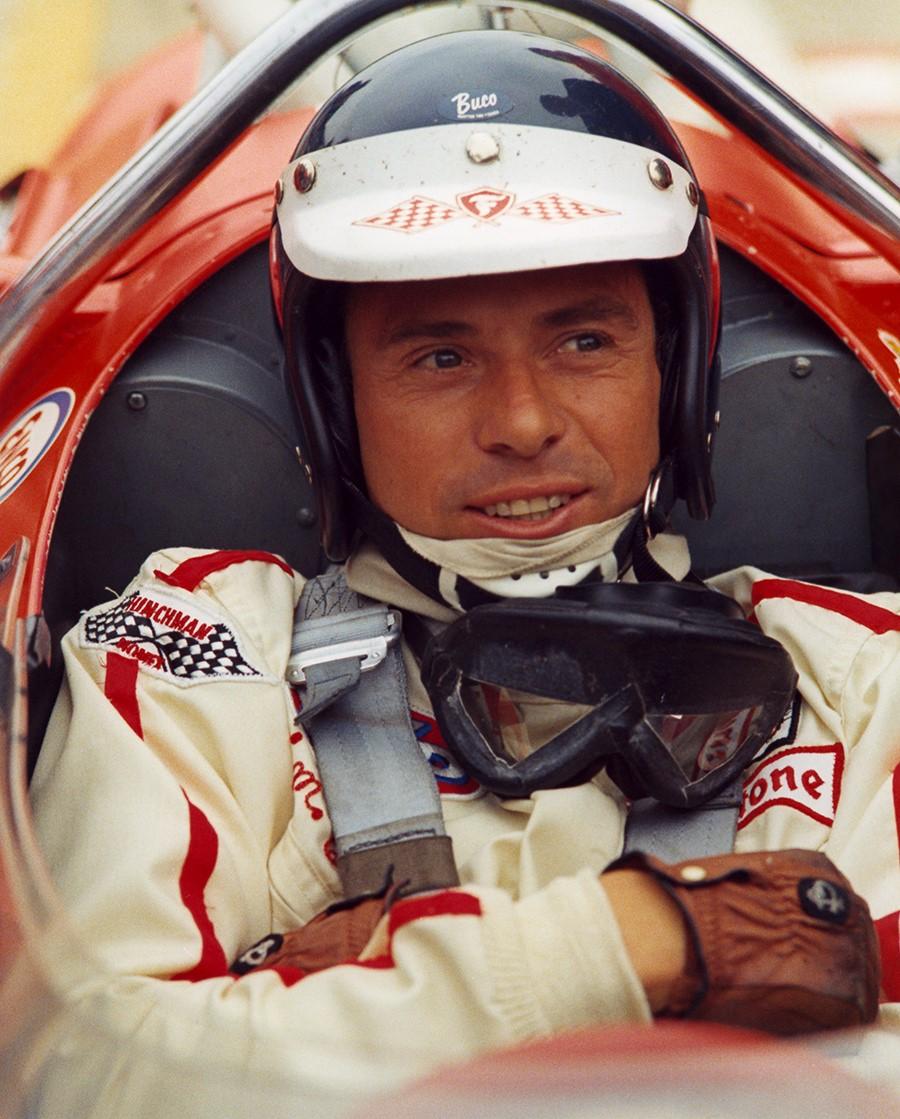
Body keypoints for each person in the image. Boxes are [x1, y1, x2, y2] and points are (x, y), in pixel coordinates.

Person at [29, 28, 898, 1116]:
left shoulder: (859, 678)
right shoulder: (199, 649)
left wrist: (339, 994)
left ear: (675, 371)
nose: (523, 422)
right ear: (336, 403)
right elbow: (79, 1067)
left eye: (584, 342)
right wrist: (632, 945)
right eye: (440, 357)